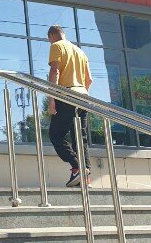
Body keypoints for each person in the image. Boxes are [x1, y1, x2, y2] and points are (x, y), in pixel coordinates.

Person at [46, 25, 93, 188]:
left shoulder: (56, 46)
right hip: (83, 97)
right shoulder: (80, 51)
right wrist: (83, 94)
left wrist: (51, 98)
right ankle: (85, 176)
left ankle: (77, 167)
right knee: (80, 138)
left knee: (55, 134)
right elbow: (89, 80)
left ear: (51, 36)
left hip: (66, 95)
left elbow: (55, 72)